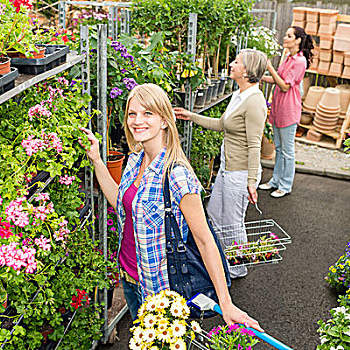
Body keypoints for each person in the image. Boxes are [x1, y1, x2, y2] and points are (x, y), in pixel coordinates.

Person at [84, 83, 261, 331]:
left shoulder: (177, 175)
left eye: (148, 114)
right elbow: (123, 204)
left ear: (165, 121)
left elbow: (204, 240)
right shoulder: (136, 158)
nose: (137, 121)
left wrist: (226, 302)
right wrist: (96, 160)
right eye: (132, 113)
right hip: (129, 277)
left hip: (159, 291)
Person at [174, 49, 268, 279]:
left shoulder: (255, 102)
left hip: (241, 173)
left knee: (234, 222)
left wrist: (251, 182)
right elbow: (222, 124)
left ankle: (237, 268)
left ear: (247, 71)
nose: (232, 64)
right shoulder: (240, 95)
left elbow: (255, 145)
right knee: (214, 213)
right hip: (227, 169)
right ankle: (222, 259)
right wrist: (191, 115)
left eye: (237, 62)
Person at [258, 26, 314, 198]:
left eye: (289, 36)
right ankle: (275, 180)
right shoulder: (289, 58)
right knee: (279, 148)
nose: (285, 37)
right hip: (278, 107)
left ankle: (285, 185)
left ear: (297, 40)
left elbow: (284, 86)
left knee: (288, 151)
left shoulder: (299, 61)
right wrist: (258, 76)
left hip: (289, 109)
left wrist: (269, 66)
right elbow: (277, 79)